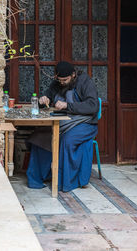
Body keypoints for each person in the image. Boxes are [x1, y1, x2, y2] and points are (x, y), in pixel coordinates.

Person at [26, 61, 99, 192]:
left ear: (73, 74)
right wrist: (43, 101)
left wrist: (67, 106)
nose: (62, 83)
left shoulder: (85, 82)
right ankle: (37, 179)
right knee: (40, 136)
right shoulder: (57, 83)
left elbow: (93, 106)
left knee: (67, 140)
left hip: (85, 123)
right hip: (64, 121)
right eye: (59, 80)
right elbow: (48, 96)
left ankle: (66, 182)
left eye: (65, 80)